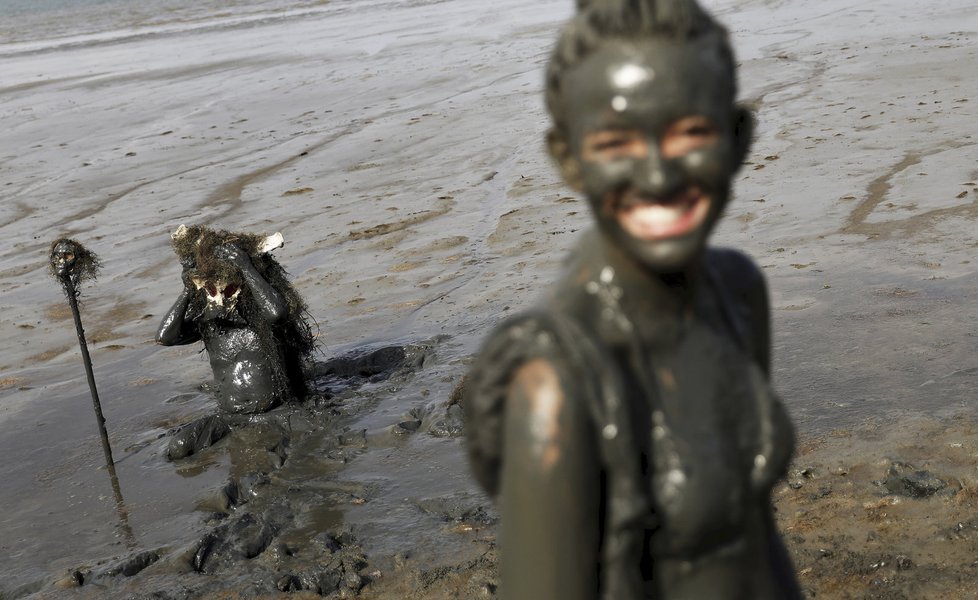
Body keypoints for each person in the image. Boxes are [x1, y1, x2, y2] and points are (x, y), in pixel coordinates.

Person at [463, 0, 802, 597]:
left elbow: (756, 534)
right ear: (569, 161)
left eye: (690, 133)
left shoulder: (740, 295)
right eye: (617, 144)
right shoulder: (557, 389)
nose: (656, 177)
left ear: (738, 139)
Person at [156, 225, 314, 459]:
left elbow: (277, 312)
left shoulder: (261, 316)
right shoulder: (209, 321)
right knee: (178, 446)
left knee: (314, 434)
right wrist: (189, 290)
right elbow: (165, 337)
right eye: (211, 289)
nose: (220, 296)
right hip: (229, 417)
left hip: (277, 412)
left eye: (228, 289)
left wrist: (245, 266)